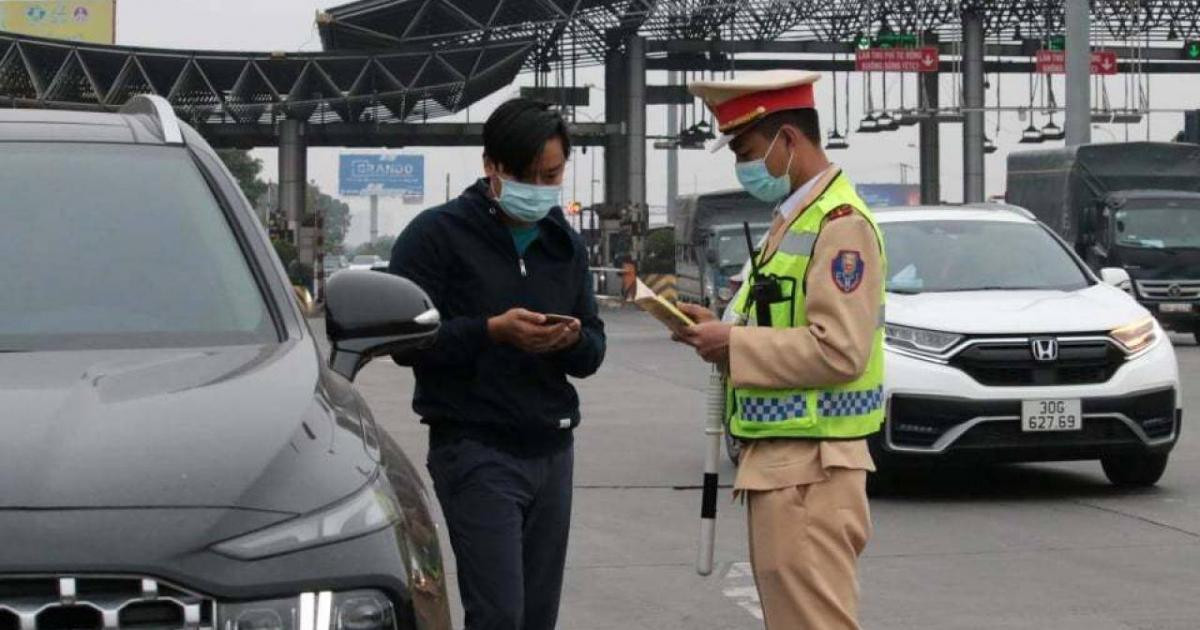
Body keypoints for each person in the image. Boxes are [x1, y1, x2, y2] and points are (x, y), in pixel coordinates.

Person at [675, 70, 886, 630]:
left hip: (812, 470)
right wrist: (721, 331)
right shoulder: (796, 219)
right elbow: (776, 321)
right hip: (788, 466)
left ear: (788, 140)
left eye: (746, 152)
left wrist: (734, 343)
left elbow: (841, 350)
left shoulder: (840, 226)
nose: (742, 168)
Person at [389, 98, 606, 630]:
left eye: (551, 175)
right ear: (491, 165)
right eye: (525, 175)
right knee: (500, 614)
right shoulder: (435, 236)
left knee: (537, 617)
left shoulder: (565, 245)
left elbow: (593, 350)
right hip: (476, 448)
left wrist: (569, 340)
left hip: (552, 449)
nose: (540, 187)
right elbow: (405, 341)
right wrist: (491, 331)